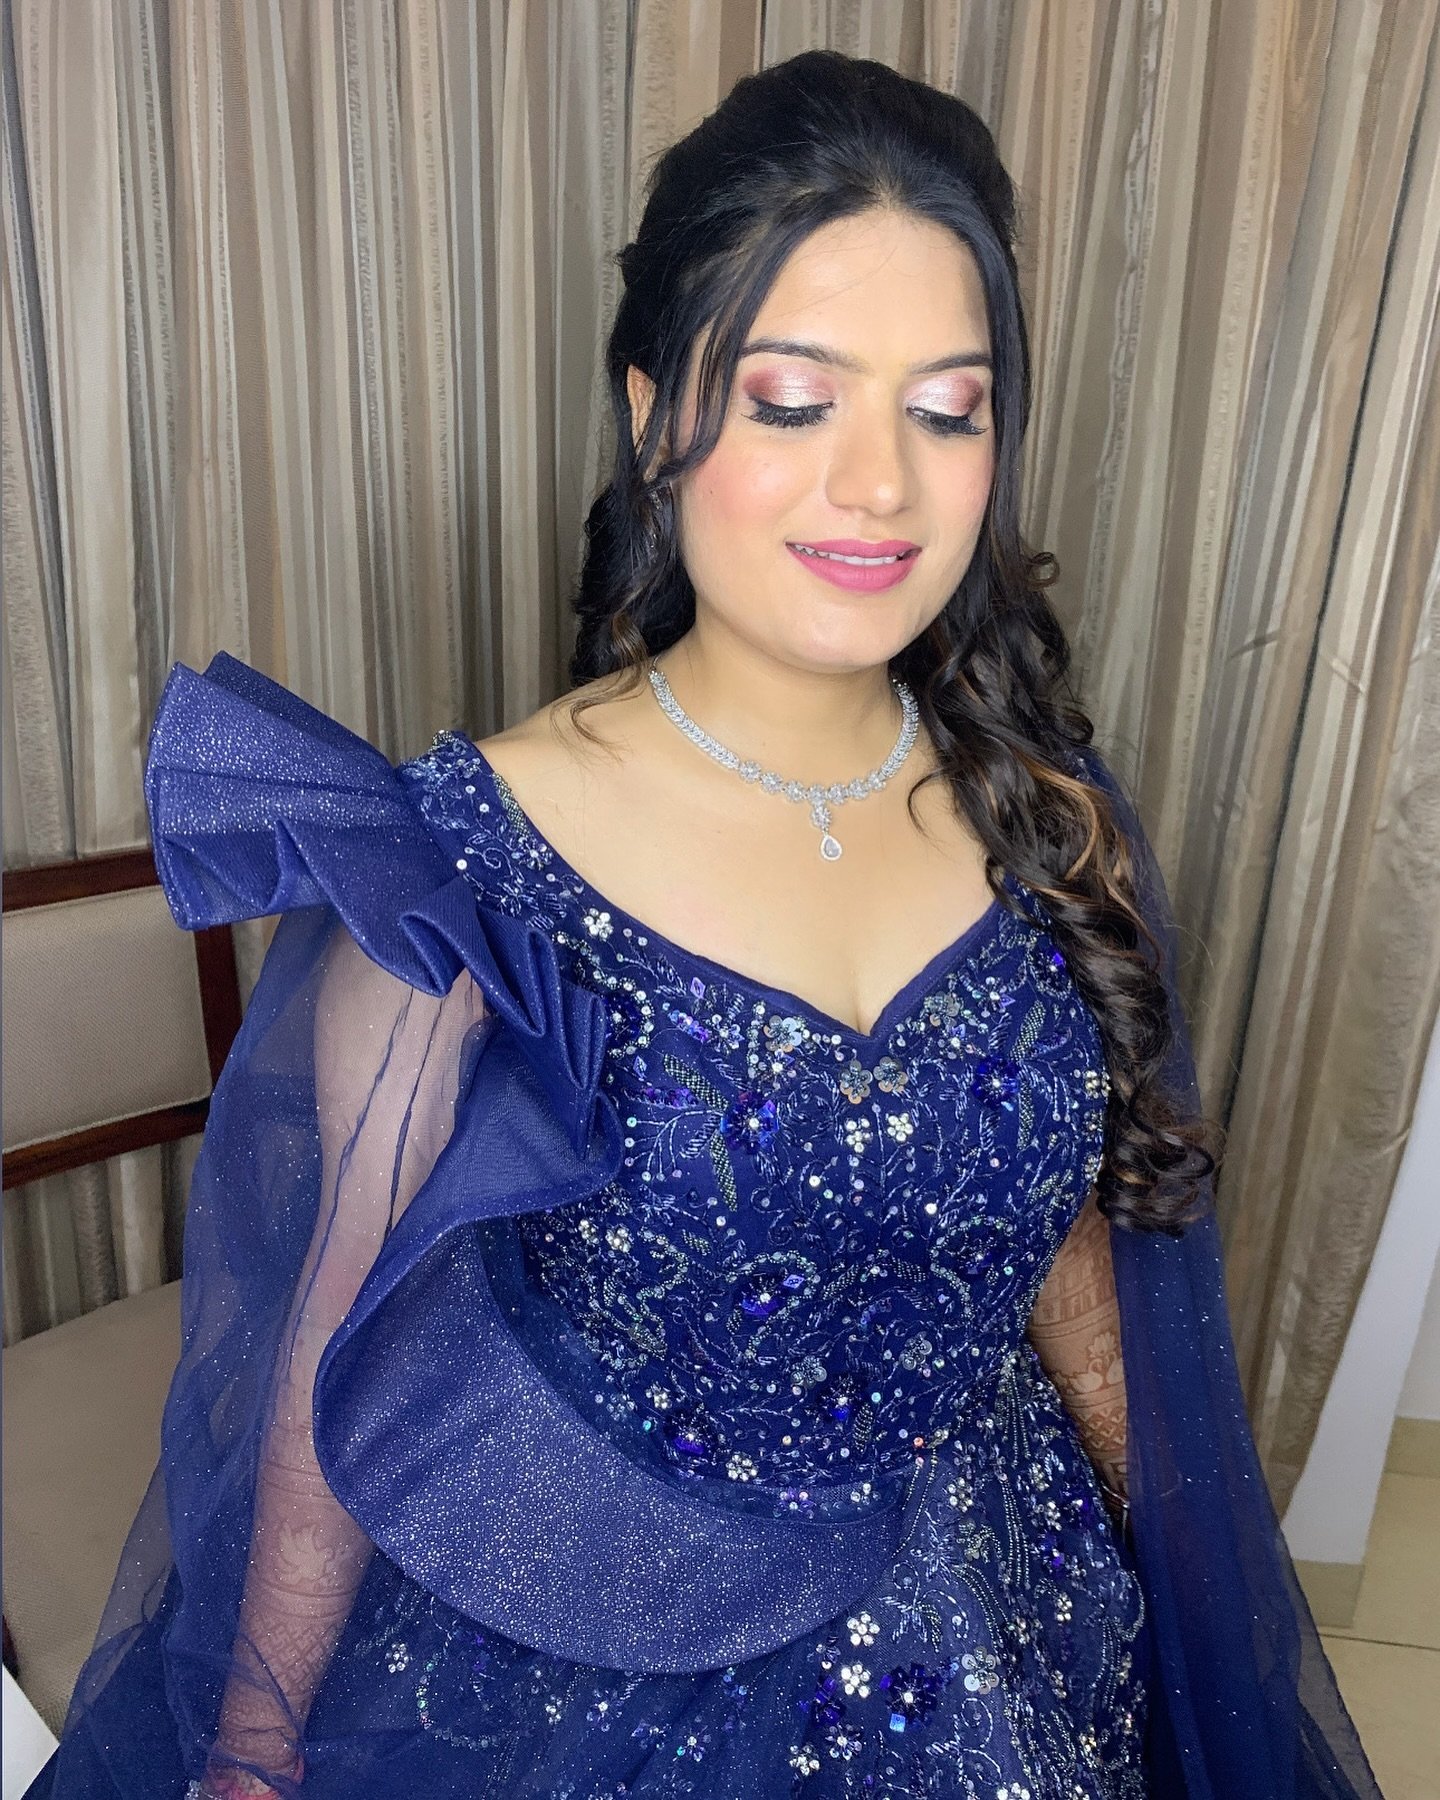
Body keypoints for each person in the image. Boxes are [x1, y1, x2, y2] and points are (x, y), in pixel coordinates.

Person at [27, 48, 1382, 1800]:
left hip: (1012, 1617)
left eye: (947, 410)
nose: (881, 487)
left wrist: (1197, 1606)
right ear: (656, 411)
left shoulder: (1047, 820)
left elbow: (1062, 1260)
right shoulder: (471, 864)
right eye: (796, 402)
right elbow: (333, 1357)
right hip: (601, 1653)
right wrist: (254, 1760)